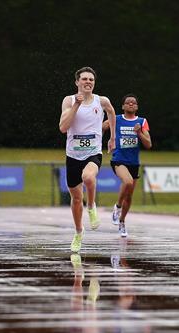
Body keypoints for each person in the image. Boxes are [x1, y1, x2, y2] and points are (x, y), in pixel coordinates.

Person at [59, 67, 116, 253]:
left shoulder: (102, 101)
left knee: (89, 177)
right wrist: (76, 105)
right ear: (77, 82)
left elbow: (112, 112)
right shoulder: (68, 100)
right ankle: (78, 232)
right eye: (84, 79)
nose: (88, 82)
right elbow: (63, 127)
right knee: (76, 198)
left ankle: (91, 205)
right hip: (73, 155)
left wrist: (112, 137)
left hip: (93, 152)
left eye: (91, 79)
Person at [103, 94, 152, 237]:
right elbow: (100, 127)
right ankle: (117, 207)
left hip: (133, 162)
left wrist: (138, 133)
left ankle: (122, 221)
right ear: (123, 106)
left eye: (133, 103)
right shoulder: (116, 119)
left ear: (137, 107)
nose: (131, 104)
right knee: (127, 181)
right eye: (128, 103)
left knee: (129, 196)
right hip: (119, 159)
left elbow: (148, 144)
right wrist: (106, 140)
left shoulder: (142, 122)